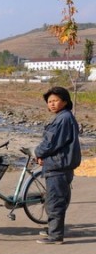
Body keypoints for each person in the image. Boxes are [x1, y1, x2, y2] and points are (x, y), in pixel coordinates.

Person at [34, 86, 81, 245]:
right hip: (62, 164)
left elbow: (50, 143)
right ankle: (53, 229)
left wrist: (38, 153)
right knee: (57, 198)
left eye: (56, 100)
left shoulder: (62, 119)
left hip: (58, 166)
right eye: (49, 101)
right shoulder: (65, 117)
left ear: (65, 101)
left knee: (55, 201)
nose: (52, 104)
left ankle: (55, 236)